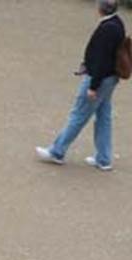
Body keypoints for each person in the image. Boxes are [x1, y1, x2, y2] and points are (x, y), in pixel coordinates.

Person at [36, 0, 125, 171]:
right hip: (110, 78)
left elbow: (101, 60)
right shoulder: (117, 23)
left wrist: (93, 86)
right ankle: (104, 159)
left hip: (100, 79)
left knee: (79, 115)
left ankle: (57, 151)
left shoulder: (107, 28)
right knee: (103, 117)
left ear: (100, 8)